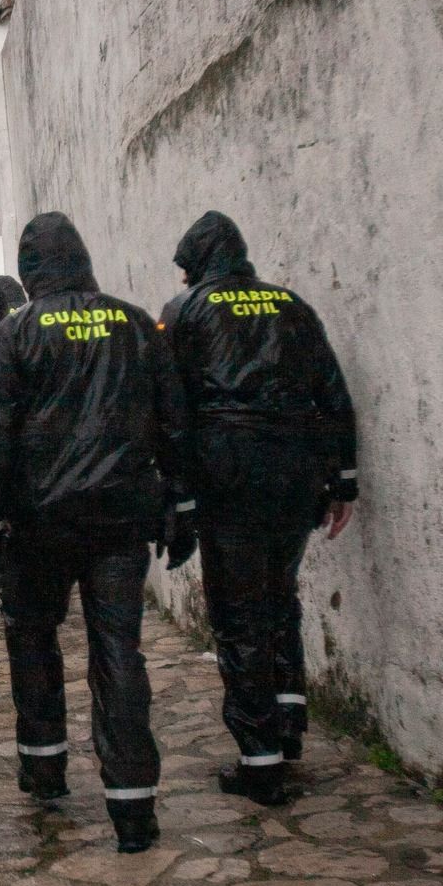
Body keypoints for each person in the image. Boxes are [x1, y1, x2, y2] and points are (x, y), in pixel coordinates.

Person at [0, 214, 190, 853]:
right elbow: (173, 421)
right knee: (119, 649)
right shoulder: (136, 325)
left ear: (32, 270)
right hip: (121, 520)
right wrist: (183, 503)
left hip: (40, 525)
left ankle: (44, 767)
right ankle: (133, 805)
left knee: (33, 639)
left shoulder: (15, 336)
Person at [161, 211, 358, 808]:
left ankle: (260, 758)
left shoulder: (185, 313)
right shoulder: (292, 307)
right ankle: (289, 719)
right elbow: (333, 392)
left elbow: (171, 408)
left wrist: (180, 494)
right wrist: (342, 480)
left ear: (196, 263)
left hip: (229, 475)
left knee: (239, 612)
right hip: (295, 473)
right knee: (279, 597)